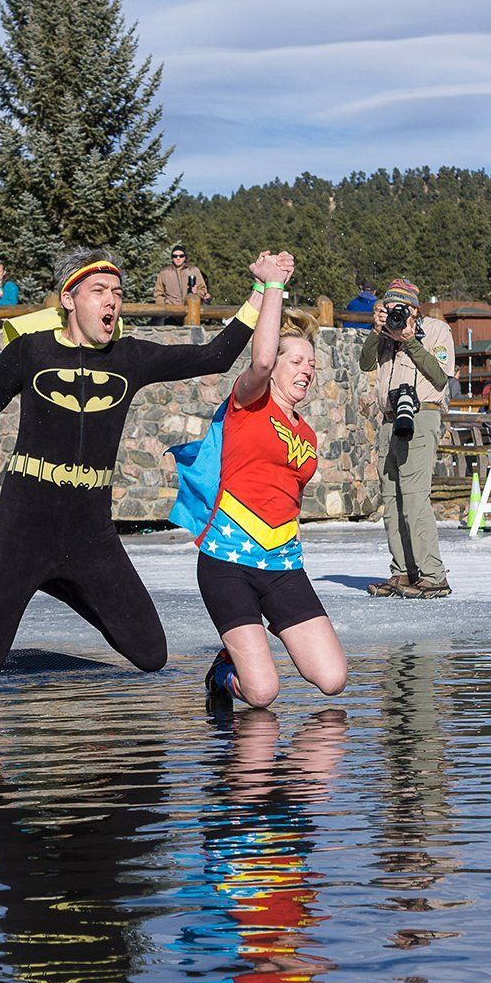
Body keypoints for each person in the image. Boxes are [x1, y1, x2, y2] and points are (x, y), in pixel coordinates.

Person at [0, 246, 272, 678]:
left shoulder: (129, 359)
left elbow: (215, 357)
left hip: (89, 531)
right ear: (69, 298)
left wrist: (262, 289)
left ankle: (58, 579)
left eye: (116, 291)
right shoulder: (29, 352)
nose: (111, 300)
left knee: (151, 654)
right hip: (24, 527)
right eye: (98, 290)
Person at [169, 253, 347, 710]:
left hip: (284, 566)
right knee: (263, 692)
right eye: (298, 361)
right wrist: (273, 288)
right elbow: (263, 360)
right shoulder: (249, 403)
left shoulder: (305, 432)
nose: (307, 369)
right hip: (228, 562)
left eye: (312, 363)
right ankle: (224, 674)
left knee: (332, 679)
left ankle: (255, 651)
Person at [361, 277, 455, 599]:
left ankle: (433, 574)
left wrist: (411, 340)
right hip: (389, 418)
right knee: (391, 499)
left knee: (415, 497)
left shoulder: (437, 330)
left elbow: (440, 376)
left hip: (421, 414)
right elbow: (364, 363)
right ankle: (402, 572)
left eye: (400, 308)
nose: (395, 313)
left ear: (415, 309)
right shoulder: (385, 332)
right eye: (389, 308)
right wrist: (378, 332)